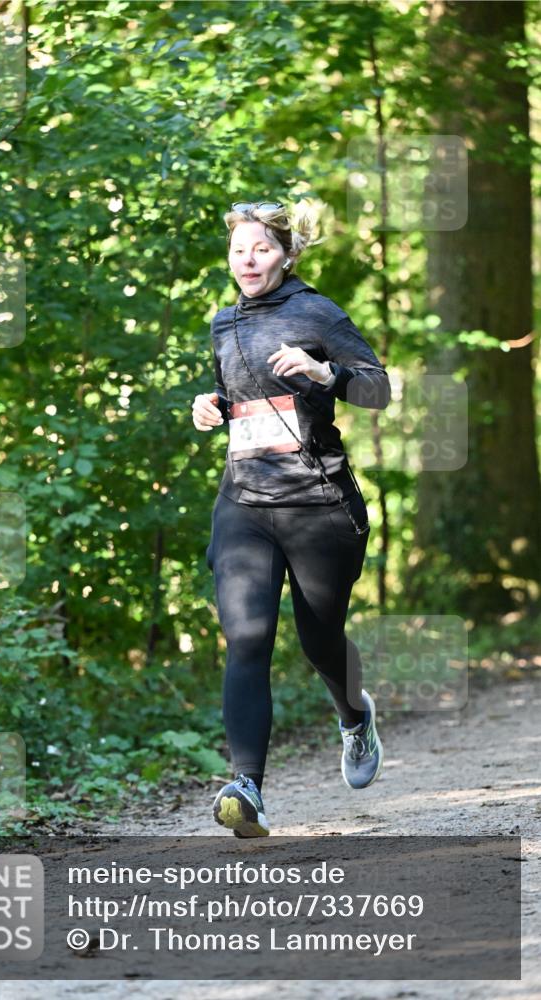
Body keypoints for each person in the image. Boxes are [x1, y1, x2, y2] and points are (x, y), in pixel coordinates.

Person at [192, 200, 391, 838]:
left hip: (318, 505)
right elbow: (236, 396)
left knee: (319, 640)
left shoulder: (317, 312)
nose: (247, 261)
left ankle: (355, 718)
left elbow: (377, 389)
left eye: (261, 250)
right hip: (244, 504)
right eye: (238, 251)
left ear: (287, 255)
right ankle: (246, 787)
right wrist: (210, 406)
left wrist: (324, 371)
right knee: (247, 636)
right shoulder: (223, 322)